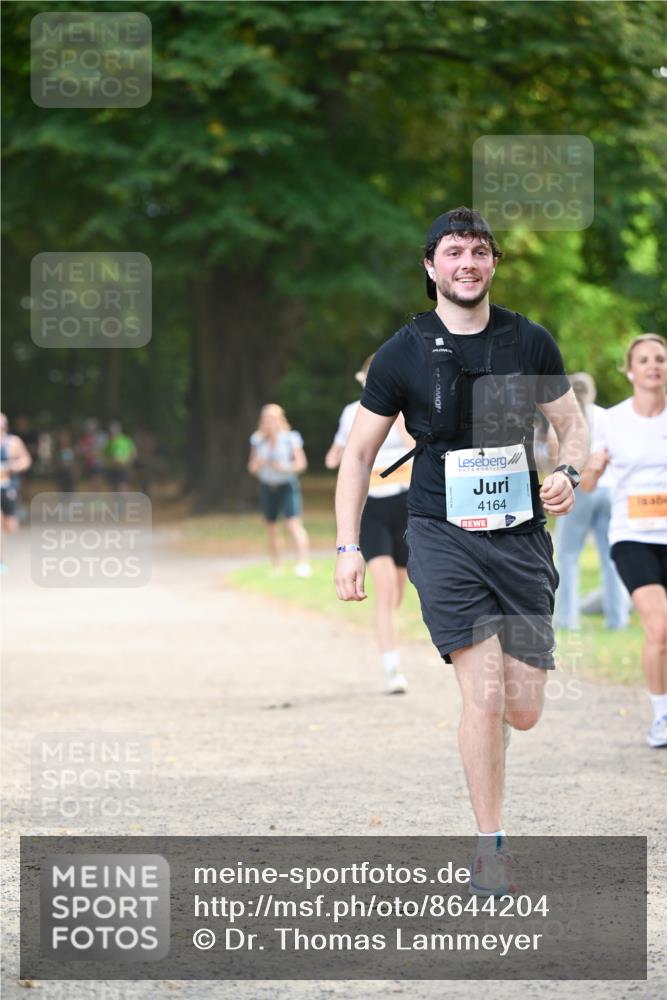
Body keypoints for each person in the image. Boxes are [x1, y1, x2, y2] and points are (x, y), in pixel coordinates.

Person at [334, 207, 588, 895]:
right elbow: (357, 456)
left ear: (492, 262)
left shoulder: (527, 341)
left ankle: (492, 747)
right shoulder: (402, 352)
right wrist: (346, 546)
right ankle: (490, 848)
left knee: (522, 708)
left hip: (518, 538)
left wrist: (565, 473)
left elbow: (572, 428)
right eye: (453, 252)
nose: (466, 263)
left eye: (478, 251)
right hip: (440, 533)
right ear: (430, 266)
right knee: (480, 692)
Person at [581, 334, 667, 748]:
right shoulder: (611, 420)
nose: (653, 366)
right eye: (645, 360)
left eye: (660, 359)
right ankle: (661, 716)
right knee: (660, 627)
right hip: (633, 536)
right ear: (630, 371)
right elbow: (588, 484)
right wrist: (594, 467)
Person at [326, 356, 414, 694]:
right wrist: (339, 455)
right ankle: (392, 667)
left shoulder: (406, 411)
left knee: (399, 591)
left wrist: (396, 418)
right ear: (361, 379)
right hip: (372, 507)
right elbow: (341, 455)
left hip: (405, 504)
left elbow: (416, 448)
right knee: (385, 589)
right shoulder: (353, 412)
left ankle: (384, 630)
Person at [554, 373, 630, 630]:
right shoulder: (607, 417)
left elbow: (557, 456)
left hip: (580, 490)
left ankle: (567, 619)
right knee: (611, 558)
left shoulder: (567, 420)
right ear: (593, 391)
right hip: (609, 490)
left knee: (567, 556)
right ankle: (617, 619)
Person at [248, 404, 312, 578]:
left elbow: (301, 464)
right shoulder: (258, 440)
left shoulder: (291, 439)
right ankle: (277, 566)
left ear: (280, 420)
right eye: (266, 419)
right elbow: (252, 468)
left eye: (273, 419)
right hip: (268, 486)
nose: (269, 423)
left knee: (293, 524)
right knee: (272, 527)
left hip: (287, 486)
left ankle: (303, 564)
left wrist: (285, 468)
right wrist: (259, 463)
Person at [1, 413, 33, 571]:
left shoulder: (13, 442)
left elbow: (26, 460)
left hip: (8, 487)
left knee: (10, 527)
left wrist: (13, 466)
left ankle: (13, 518)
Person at [104, 421, 137, 491]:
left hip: (123, 467)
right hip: (112, 468)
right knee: (113, 488)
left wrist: (129, 462)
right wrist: (108, 462)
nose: (112, 433)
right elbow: (104, 454)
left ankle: (123, 501)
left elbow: (133, 451)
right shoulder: (109, 442)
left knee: (122, 486)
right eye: (111, 431)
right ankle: (118, 501)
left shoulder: (125, 440)